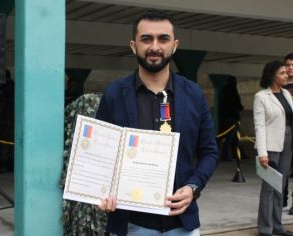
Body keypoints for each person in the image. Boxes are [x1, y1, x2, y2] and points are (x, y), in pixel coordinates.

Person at [96, 9, 218, 236]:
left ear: (175, 45)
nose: (154, 46)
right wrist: (100, 191)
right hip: (129, 224)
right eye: (146, 39)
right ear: (134, 45)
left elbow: (209, 152)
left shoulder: (194, 94)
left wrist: (193, 187)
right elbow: (99, 155)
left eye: (163, 39)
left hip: (182, 223)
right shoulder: (114, 94)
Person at [254, 60, 293, 236]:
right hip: (271, 146)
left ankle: (278, 226)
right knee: (269, 188)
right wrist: (262, 152)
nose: (286, 75)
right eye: (282, 73)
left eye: (286, 73)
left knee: (281, 186)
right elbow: (259, 126)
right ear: (272, 76)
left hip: (288, 143)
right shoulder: (261, 97)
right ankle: (265, 229)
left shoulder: (286, 94)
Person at [219, 76, 244, 161]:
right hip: (233, 118)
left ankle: (236, 154)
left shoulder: (224, 91)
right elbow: (237, 105)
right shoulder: (233, 91)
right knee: (231, 138)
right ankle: (226, 155)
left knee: (234, 138)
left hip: (226, 118)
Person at [282, 53, 293, 213]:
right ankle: (281, 199)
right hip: (283, 132)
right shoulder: (278, 85)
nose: (290, 68)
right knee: (281, 169)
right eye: (288, 65)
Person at [0, 69, 15, 173]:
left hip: (5, 119)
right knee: (13, 144)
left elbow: (0, 103)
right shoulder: (16, 86)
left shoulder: (3, 88)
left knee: (3, 143)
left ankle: (3, 166)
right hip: (15, 119)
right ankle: (12, 166)